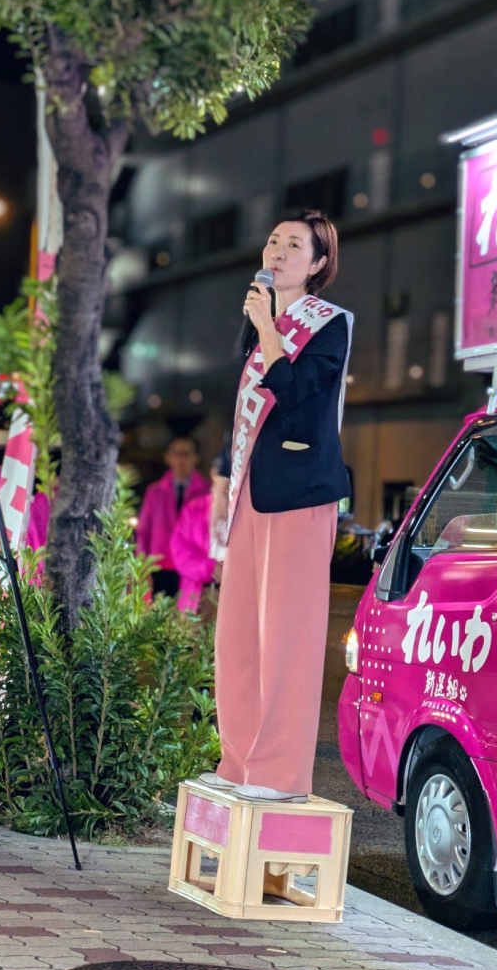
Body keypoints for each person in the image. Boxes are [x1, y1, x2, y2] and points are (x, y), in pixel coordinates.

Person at [202, 210, 353, 801]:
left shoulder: (326, 324)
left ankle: (279, 773)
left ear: (318, 265)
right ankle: (239, 760)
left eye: (296, 244)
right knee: (238, 635)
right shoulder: (264, 318)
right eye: (273, 240)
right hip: (249, 494)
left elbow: (295, 398)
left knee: (286, 637)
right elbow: (242, 411)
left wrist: (267, 325)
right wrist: (222, 483)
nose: (279, 250)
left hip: (297, 497)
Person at [136, 437, 209, 597]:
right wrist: (141, 568)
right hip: (162, 565)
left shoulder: (207, 492)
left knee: (190, 617)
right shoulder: (155, 491)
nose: (181, 459)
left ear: (196, 458)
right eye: (176, 453)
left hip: (194, 566)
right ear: (167, 457)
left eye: (186, 454)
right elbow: (143, 531)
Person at [169, 472, 220, 615]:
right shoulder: (194, 509)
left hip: (234, 594)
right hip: (198, 592)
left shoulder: (246, 510)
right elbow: (180, 552)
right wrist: (211, 568)